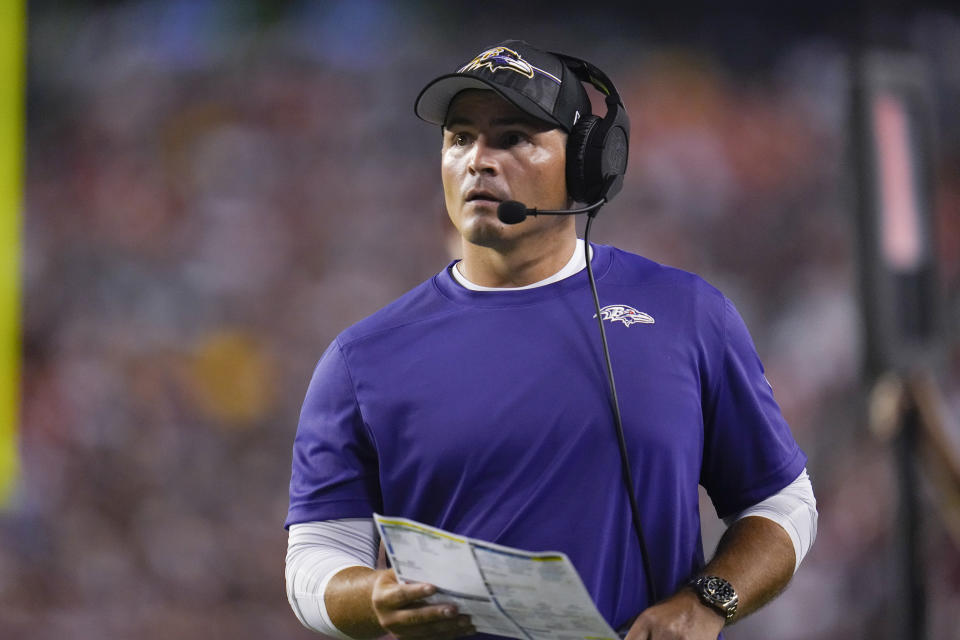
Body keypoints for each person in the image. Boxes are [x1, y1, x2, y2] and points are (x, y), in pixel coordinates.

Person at [285, 40, 817, 640]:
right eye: (460, 138)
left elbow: (782, 503)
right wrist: (372, 595)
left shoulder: (688, 314)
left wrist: (707, 603)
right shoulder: (361, 358)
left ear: (588, 164)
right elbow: (315, 555)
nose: (477, 161)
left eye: (512, 138)